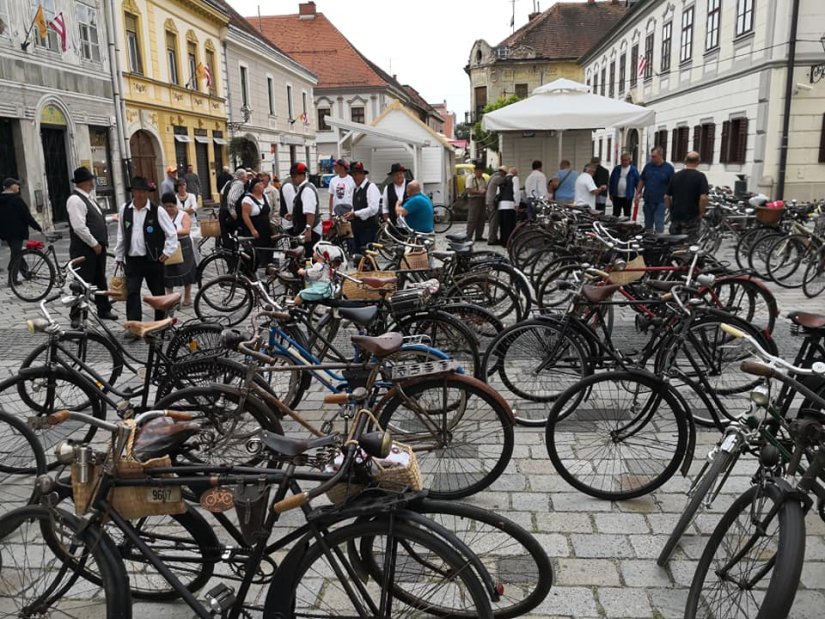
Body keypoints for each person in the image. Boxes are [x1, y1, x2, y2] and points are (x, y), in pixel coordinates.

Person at [114, 176, 178, 324]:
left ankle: (160, 323)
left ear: (148, 193)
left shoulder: (157, 211)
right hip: (132, 260)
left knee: (157, 293)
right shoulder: (125, 209)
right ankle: (134, 324)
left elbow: (171, 233)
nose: (140, 194)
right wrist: (119, 255)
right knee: (132, 293)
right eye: (137, 191)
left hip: (153, 259)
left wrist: (167, 252)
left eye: (143, 191)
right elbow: (121, 234)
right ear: (133, 192)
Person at [65, 167, 117, 320]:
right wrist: (94, 243)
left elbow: (94, 220)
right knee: (82, 281)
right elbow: (79, 227)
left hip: (97, 248)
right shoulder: (75, 200)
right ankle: (76, 315)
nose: (94, 182)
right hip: (84, 249)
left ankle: (104, 309)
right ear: (87, 182)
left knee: (99, 279)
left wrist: (109, 219)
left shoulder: (88, 198)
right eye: (92, 179)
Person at [0, 177, 43, 284]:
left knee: (17, 252)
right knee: (16, 255)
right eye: (16, 184)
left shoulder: (1, 199)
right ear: (11, 187)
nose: (18, 186)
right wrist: (37, 227)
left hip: (6, 233)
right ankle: (12, 280)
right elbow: (26, 216)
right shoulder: (16, 199)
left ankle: (25, 272)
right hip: (18, 232)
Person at [160, 192, 196, 306]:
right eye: (166, 206)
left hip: (183, 244)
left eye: (171, 206)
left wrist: (172, 233)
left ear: (176, 205)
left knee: (186, 271)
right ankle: (170, 297)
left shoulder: (183, 215)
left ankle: (187, 295)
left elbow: (186, 230)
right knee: (167, 273)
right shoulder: (162, 216)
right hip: (167, 246)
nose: (169, 209)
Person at [665, 151, 709, 242]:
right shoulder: (700, 177)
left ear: (685, 161)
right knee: (689, 244)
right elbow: (703, 198)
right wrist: (701, 213)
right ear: (698, 162)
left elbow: (666, 197)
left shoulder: (675, 176)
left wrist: (671, 210)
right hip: (691, 216)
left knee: (674, 243)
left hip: (676, 216)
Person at [635, 146, 675, 233]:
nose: (651, 158)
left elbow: (672, 184)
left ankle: (658, 242)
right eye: (651, 156)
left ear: (660, 155)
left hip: (661, 201)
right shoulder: (648, 166)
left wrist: (670, 198)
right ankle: (648, 241)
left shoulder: (669, 168)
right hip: (648, 200)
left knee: (659, 223)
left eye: (654, 156)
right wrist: (638, 193)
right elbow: (642, 180)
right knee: (648, 225)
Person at [346, 161, 381, 251]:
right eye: (353, 175)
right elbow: (354, 206)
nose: (355, 177)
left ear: (363, 174)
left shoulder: (371, 187)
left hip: (368, 229)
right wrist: (350, 214)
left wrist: (355, 214)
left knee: (367, 255)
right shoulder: (354, 189)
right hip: (357, 228)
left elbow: (373, 209)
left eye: (357, 174)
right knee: (358, 255)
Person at [240, 177, 273, 266]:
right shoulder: (247, 199)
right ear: (255, 187)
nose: (263, 186)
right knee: (256, 249)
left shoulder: (265, 196)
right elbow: (245, 215)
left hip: (265, 228)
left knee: (268, 248)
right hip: (255, 227)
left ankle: (267, 265)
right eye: (261, 184)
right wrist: (252, 229)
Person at [290, 162, 321, 255]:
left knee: (308, 256)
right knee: (305, 256)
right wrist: (294, 215)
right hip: (306, 228)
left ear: (302, 176)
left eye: (294, 176)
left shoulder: (307, 190)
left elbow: (310, 213)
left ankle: (309, 269)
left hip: (310, 231)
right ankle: (307, 268)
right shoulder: (304, 187)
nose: (293, 179)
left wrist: (308, 230)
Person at [219, 168, 247, 251]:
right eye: (245, 177)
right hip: (229, 213)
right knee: (235, 235)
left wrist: (223, 204)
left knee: (226, 236)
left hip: (223, 211)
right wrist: (233, 214)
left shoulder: (229, 182)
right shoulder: (239, 184)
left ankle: (229, 256)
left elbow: (221, 193)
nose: (246, 179)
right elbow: (231, 199)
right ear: (241, 177)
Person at [608, 153, 640, 218]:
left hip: (628, 196)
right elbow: (611, 181)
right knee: (615, 214)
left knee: (627, 213)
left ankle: (626, 227)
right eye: (622, 160)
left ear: (629, 160)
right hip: (617, 196)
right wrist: (611, 193)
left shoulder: (633, 170)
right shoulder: (617, 169)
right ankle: (615, 227)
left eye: (626, 160)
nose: (624, 162)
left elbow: (638, 182)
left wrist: (638, 194)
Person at [496, 167, 520, 246]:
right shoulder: (515, 178)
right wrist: (517, 204)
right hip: (510, 204)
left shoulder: (502, 179)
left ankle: (503, 241)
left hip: (501, 205)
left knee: (503, 225)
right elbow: (516, 192)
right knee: (510, 224)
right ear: (515, 173)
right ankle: (509, 241)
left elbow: (498, 193)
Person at [465, 162, 488, 241]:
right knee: (472, 218)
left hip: (482, 199)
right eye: (480, 171)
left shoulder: (482, 179)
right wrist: (479, 192)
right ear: (476, 171)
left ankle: (479, 236)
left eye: (482, 171)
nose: (481, 173)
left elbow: (485, 187)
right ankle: (469, 236)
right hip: (474, 199)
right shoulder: (470, 178)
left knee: (481, 218)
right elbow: (468, 190)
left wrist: (485, 191)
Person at [485, 167, 506, 245]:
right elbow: (507, 180)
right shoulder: (498, 178)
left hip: (488, 201)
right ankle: (492, 239)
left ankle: (493, 237)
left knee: (491, 221)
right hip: (493, 202)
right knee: (494, 221)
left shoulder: (492, 177)